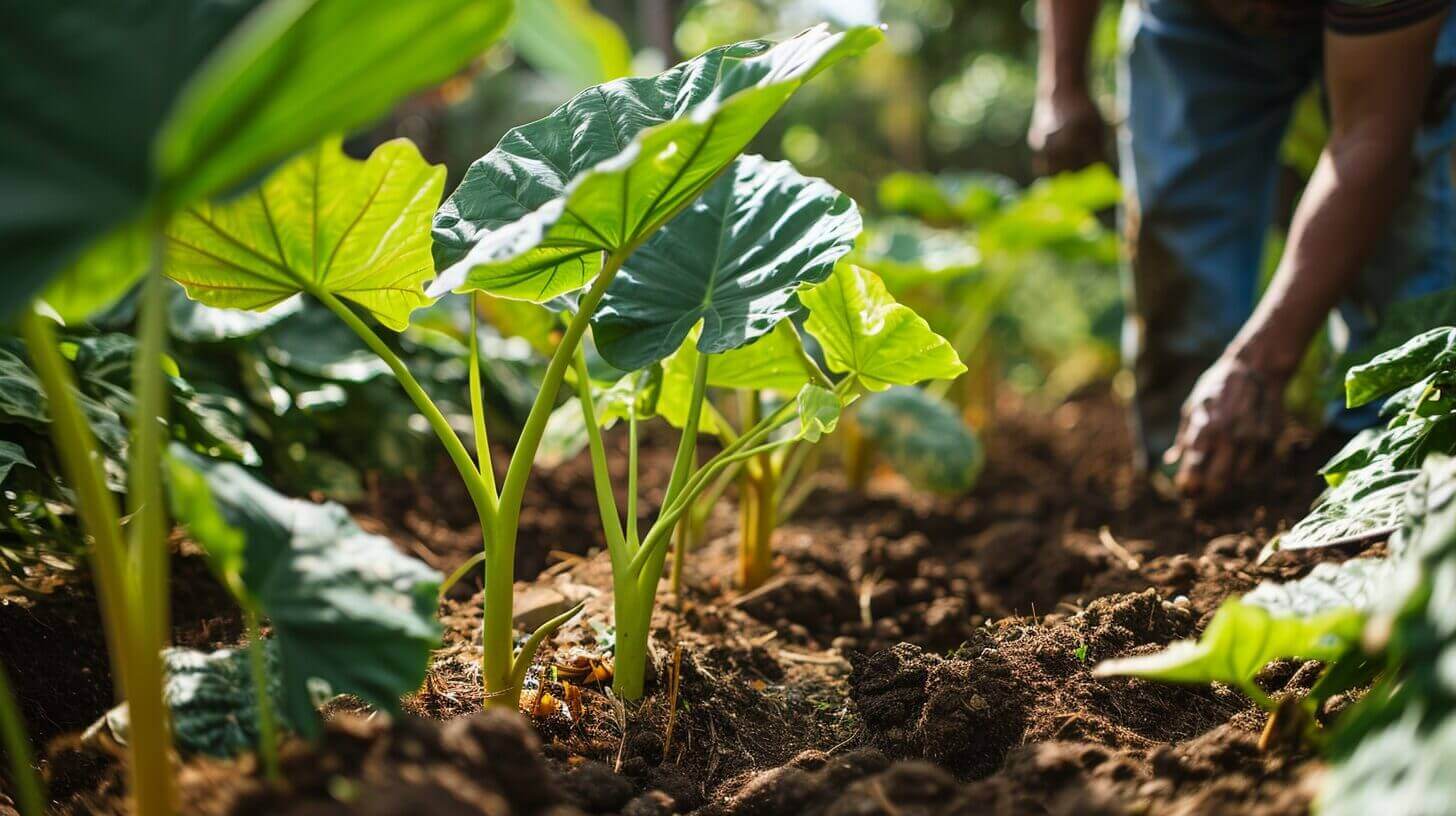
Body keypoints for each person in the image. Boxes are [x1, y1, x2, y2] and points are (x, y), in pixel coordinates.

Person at [1029, 0, 1456, 500]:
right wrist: (1063, 82)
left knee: (1411, 249)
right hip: (1190, 21)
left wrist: (1260, 362)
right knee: (1180, 251)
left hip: (1394, 32)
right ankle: (1189, 473)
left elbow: (1372, 139)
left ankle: (1389, 477)